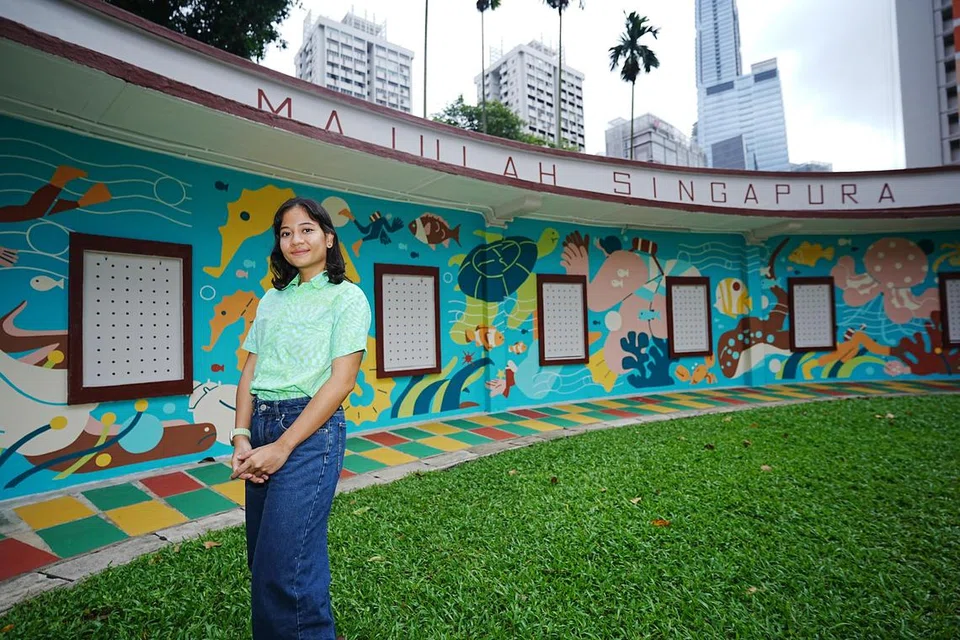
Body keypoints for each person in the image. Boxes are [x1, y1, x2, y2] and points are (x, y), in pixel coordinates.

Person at [230, 196, 371, 639]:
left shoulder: (347, 297)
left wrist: (283, 445)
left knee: (283, 565)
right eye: (286, 232)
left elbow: (342, 381)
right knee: (266, 559)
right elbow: (250, 369)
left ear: (329, 238)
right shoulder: (271, 299)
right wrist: (240, 435)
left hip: (310, 432)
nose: (296, 239)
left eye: (307, 229)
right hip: (261, 425)